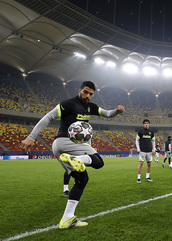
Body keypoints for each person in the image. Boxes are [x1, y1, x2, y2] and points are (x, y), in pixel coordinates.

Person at [20, 81, 125, 229]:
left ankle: (67, 219)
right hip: (67, 142)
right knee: (99, 161)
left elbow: (107, 114)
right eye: (85, 92)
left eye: (91, 94)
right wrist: (31, 137)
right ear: (79, 90)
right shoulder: (68, 104)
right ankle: (77, 159)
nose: (88, 96)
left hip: (60, 148)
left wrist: (116, 111)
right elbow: (49, 117)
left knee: (82, 179)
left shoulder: (91, 107)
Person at [136, 119, 155, 183]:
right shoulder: (140, 131)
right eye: (145, 123)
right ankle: (138, 178)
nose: (146, 124)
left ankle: (147, 177)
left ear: (149, 124)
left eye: (147, 123)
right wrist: (138, 149)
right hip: (142, 151)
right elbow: (137, 140)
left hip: (149, 150)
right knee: (141, 163)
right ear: (143, 124)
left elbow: (153, 140)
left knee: (149, 164)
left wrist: (154, 149)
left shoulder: (151, 132)